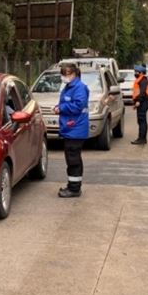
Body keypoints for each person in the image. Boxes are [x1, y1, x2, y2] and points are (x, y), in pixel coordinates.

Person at [53, 63, 89, 198]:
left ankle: (74, 189)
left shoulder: (79, 88)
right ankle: (72, 184)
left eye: (65, 74)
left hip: (76, 129)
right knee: (71, 158)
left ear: (73, 74)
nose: (63, 77)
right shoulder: (69, 87)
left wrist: (61, 109)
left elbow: (78, 105)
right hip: (70, 128)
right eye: (62, 74)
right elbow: (67, 102)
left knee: (73, 159)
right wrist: (59, 106)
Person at [131, 64, 148, 145]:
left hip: (143, 102)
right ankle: (142, 138)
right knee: (141, 121)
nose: (135, 73)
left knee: (142, 121)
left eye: (136, 72)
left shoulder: (143, 80)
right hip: (143, 102)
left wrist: (138, 101)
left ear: (140, 72)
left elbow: (142, 92)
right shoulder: (141, 79)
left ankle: (142, 139)